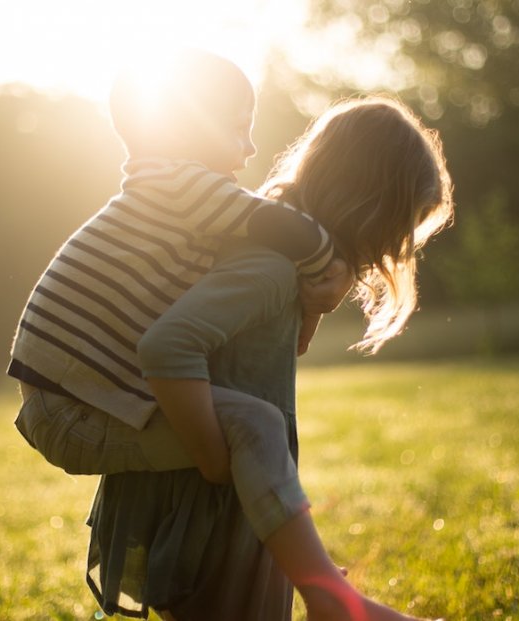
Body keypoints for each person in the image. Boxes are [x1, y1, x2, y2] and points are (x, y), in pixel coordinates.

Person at [86, 96, 453, 621]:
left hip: (239, 492)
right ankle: (333, 602)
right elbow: (169, 346)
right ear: (369, 204)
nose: (397, 247)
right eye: (404, 223)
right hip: (208, 495)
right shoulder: (270, 268)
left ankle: (330, 596)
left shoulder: (283, 265)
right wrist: (216, 460)